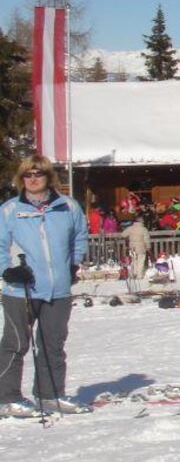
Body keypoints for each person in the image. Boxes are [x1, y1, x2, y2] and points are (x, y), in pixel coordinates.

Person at [0, 155, 90, 417]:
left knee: (53, 343)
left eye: (38, 174)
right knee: (16, 343)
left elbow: (79, 237)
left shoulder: (68, 207)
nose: (33, 179)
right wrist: (8, 270)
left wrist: (73, 264)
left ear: (48, 177)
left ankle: (49, 394)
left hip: (58, 288)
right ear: (21, 179)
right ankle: (7, 398)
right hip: (21, 289)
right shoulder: (9, 211)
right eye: (28, 174)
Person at [124, 217, 151, 281]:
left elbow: (123, 234)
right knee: (140, 261)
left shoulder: (130, 228)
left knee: (133, 261)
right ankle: (139, 275)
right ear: (141, 222)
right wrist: (148, 247)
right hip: (141, 248)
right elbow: (146, 239)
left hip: (132, 248)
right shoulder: (144, 229)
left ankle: (134, 273)